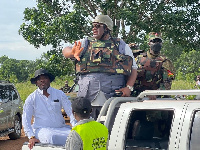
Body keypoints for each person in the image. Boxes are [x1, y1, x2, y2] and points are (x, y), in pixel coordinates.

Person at [62, 14, 138, 119]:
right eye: (93, 26)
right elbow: (66, 49)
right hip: (87, 97)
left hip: (112, 97)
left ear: (107, 28)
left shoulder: (120, 45)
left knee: (110, 129)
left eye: (97, 26)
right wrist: (71, 53)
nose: (94, 28)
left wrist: (128, 88)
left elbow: (134, 68)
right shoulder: (85, 42)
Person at [22, 68, 76, 149]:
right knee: (51, 137)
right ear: (36, 82)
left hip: (62, 128)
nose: (42, 81)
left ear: (49, 80)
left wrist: (76, 126)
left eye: (45, 78)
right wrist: (31, 137)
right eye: (39, 79)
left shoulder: (59, 94)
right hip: (42, 130)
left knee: (75, 136)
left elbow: (70, 111)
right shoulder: (31, 98)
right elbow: (26, 118)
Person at [133, 32, 175, 99]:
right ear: (149, 43)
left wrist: (155, 94)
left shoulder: (165, 62)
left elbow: (167, 84)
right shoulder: (138, 59)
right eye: (154, 41)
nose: (156, 43)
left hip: (156, 98)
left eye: (159, 41)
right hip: (137, 97)